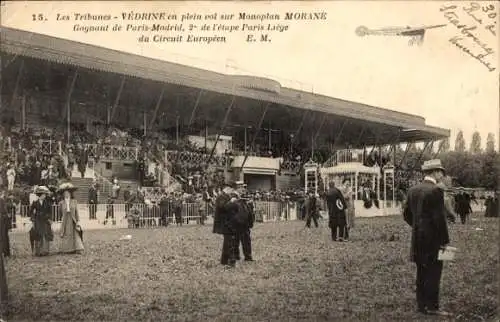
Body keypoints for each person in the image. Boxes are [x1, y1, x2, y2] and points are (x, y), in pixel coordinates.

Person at [403, 159, 451, 316]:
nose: (442, 176)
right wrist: (444, 241)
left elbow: (406, 215)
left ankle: (421, 305)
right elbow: (439, 219)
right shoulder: (436, 191)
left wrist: (418, 227)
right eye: (441, 173)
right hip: (433, 240)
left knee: (421, 272)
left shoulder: (412, 190)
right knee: (434, 272)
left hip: (417, 238)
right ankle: (432, 306)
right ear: (435, 172)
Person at [213, 184, 238, 268]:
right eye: (232, 190)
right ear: (228, 188)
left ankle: (224, 260)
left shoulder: (225, 196)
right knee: (230, 242)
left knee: (227, 242)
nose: (232, 192)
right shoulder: (221, 196)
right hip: (224, 223)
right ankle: (231, 261)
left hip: (227, 222)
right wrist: (231, 201)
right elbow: (223, 207)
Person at [58, 182, 84, 254]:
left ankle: (77, 248)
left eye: (68, 193)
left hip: (72, 219)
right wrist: (61, 219)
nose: (66, 194)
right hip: (65, 220)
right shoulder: (61, 203)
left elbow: (76, 212)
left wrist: (78, 221)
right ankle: (66, 249)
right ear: (63, 194)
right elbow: (60, 213)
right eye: (65, 193)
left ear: (70, 194)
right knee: (66, 234)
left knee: (75, 234)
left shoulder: (74, 201)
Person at [233, 182, 255, 262]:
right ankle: (236, 256)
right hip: (237, 223)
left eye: (243, 187)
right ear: (237, 187)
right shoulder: (233, 197)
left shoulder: (245, 198)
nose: (243, 189)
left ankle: (248, 256)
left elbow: (249, 211)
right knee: (235, 241)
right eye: (241, 187)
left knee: (246, 241)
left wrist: (250, 222)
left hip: (245, 224)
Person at [30, 186, 54, 256]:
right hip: (38, 220)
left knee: (46, 234)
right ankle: (38, 251)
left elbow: (50, 212)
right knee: (38, 235)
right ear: (40, 195)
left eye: (45, 194)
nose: (45, 196)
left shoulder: (47, 203)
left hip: (45, 220)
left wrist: (49, 218)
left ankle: (46, 251)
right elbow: (31, 212)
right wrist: (33, 219)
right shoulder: (35, 203)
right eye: (43, 194)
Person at [0, 190, 11, 257]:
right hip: (3, 220)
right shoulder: (2, 200)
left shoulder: (2, 201)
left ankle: (4, 251)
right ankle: (5, 251)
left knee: (3, 237)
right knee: (3, 237)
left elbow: (4, 211)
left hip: (2, 221)